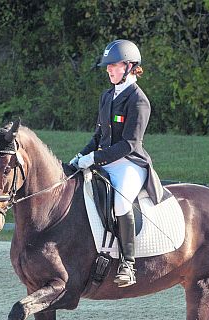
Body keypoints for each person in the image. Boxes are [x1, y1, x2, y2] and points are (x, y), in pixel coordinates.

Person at [70, 39, 169, 288]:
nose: (108, 70)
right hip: (105, 158)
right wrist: (79, 156)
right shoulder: (106, 96)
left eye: (113, 66)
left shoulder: (138, 100)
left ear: (129, 66)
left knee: (121, 201)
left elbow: (130, 144)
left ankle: (128, 264)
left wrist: (93, 159)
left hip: (129, 163)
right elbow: (98, 137)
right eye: (107, 66)